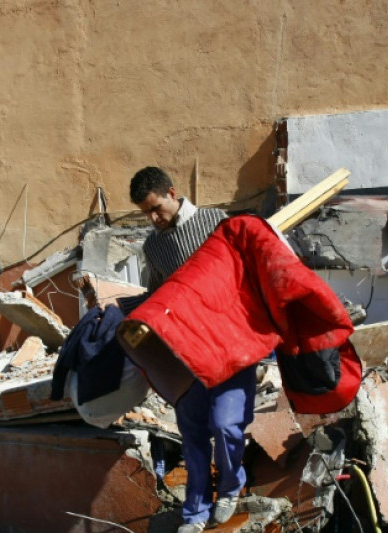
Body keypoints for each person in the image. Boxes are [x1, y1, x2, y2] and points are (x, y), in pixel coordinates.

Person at [130, 166, 249, 531]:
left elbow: (245, 270)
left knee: (226, 423)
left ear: (172, 191)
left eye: (156, 209)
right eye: (145, 213)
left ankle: (231, 485)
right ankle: (195, 513)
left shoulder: (217, 221)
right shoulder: (154, 245)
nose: (153, 219)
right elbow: (157, 294)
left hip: (230, 343)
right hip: (185, 351)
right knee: (193, 432)